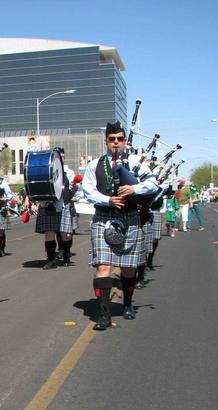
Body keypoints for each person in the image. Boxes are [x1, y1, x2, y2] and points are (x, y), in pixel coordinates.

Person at [82, 121, 159, 330]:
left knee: (128, 268)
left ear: (125, 140)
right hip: (103, 217)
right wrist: (107, 200)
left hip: (130, 217)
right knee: (103, 266)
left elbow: (154, 183)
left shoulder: (135, 161)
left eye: (120, 139)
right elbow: (87, 190)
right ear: (106, 141)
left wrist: (135, 189)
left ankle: (127, 304)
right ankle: (104, 314)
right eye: (112, 139)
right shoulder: (95, 164)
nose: (116, 143)